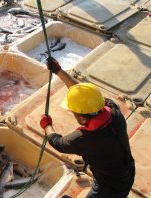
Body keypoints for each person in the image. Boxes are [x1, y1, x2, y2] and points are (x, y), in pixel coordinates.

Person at [40, 57, 135, 198]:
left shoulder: (84, 138)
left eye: (73, 111)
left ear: (82, 118)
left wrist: (47, 125)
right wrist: (58, 71)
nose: (72, 112)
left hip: (110, 186)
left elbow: (58, 143)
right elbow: (84, 95)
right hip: (128, 169)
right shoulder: (111, 108)